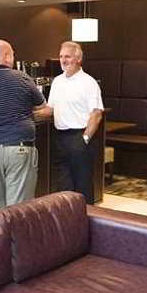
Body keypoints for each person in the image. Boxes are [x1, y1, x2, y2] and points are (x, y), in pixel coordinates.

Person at [0, 39, 51, 209]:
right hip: (19, 148)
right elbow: (42, 106)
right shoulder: (21, 78)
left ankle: (1, 228)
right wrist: (25, 111)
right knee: (18, 208)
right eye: (13, 54)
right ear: (6, 56)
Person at [47, 41, 104, 204]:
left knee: (83, 187)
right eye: (61, 56)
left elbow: (96, 114)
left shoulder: (89, 82)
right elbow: (50, 109)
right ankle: (67, 219)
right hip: (60, 138)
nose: (63, 60)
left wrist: (84, 139)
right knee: (63, 188)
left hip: (80, 138)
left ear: (78, 59)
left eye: (67, 57)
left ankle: (86, 217)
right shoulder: (57, 81)